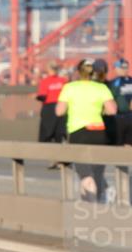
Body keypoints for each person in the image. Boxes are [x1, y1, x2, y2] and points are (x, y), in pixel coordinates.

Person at [56, 59, 117, 202]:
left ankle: (92, 205)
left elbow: (59, 111)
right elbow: (112, 110)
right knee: (97, 172)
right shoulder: (101, 88)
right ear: (92, 73)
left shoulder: (69, 88)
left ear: (78, 72)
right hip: (99, 132)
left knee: (86, 175)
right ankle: (102, 197)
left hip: (79, 133)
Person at [35, 63, 67, 149]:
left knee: (46, 133)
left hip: (49, 108)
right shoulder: (63, 81)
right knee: (60, 133)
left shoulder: (45, 81)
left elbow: (42, 95)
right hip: (61, 108)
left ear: (49, 70)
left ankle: (44, 151)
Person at [110, 58, 132, 148]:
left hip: (121, 117)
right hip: (121, 116)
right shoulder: (114, 82)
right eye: (122, 68)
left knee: (121, 143)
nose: (124, 70)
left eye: (125, 68)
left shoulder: (114, 83)